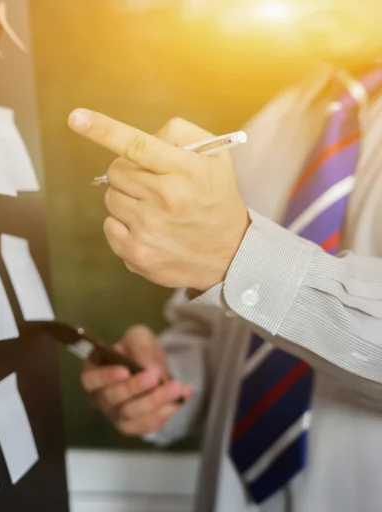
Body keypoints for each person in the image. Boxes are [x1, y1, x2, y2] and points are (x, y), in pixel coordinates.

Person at [67, 2, 382, 511]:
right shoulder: (276, 122)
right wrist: (166, 382)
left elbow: (241, 267)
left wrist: (237, 254)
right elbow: (226, 332)